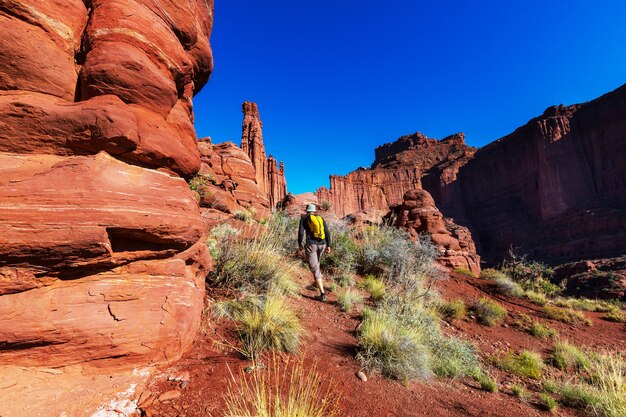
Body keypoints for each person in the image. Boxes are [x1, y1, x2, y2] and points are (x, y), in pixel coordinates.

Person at [298, 203, 331, 301]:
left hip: (311, 245)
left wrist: (299, 243)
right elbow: (327, 232)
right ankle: (317, 281)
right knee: (317, 264)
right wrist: (328, 245)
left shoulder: (304, 218)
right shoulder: (320, 218)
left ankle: (322, 294)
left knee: (315, 268)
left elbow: (300, 232)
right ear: (314, 210)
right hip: (322, 244)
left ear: (307, 210)